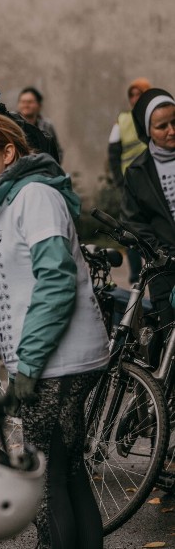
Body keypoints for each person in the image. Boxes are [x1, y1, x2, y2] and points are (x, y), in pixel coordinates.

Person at [0, 112, 107, 549]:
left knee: (46, 485)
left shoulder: (35, 196)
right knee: (68, 472)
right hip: (50, 363)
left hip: (58, 363)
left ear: (9, 153)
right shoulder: (7, 202)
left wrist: (29, 368)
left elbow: (56, 282)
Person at [121, 87, 175, 366]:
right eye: (162, 126)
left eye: (174, 122)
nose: (171, 130)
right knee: (168, 338)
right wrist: (159, 253)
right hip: (165, 269)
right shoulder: (138, 171)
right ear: (147, 129)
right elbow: (133, 219)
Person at [109, 77, 153, 284]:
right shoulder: (123, 120)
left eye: (140, 93)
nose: (136, 98)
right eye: (132, 95)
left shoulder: (157, 117)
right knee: (132, 229)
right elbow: (113, 154)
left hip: (155, 182)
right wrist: (120, 182)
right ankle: (136, 274)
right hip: (131, 183)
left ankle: (157, 268)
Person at [16, 86, 63, 161]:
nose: (26, 105)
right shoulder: (12, 124)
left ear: (39, 105)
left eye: (30, 102)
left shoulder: (47, 125)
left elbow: (57, 151)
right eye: (23, 102)